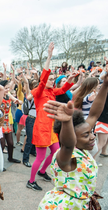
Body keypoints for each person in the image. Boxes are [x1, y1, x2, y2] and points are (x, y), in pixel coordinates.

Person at [35, 63, 108, 210]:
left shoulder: (84, 150)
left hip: (79, 207)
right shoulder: (66, 156)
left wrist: (105, 85)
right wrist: (65, 122)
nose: (92, 136)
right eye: (86, 135)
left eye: (92, 132)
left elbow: (95, 113)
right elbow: (67, 144)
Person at [27, 42, 79, 191]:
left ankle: (43, 171)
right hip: (41, 128)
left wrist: (70, 78)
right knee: (40, 157)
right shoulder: (38, 91)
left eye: (52, 79)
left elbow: (63, 89)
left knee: (56, 152)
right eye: (50, 79)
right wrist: (49, 56)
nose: (51, 81)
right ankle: (31, 181)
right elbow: (43, 80)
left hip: (52, 127)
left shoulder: (51, 92)